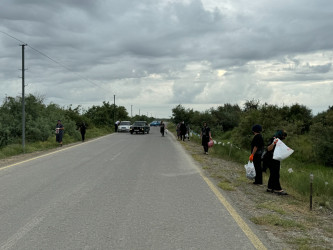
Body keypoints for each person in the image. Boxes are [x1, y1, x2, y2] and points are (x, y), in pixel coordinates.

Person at [266, 130, 288, 195]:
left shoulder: (279, 140)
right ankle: (278, 189)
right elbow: (268, 148)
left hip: (275, 158)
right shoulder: (274, 139)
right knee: (276, 174)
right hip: (272, 158)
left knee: (273, 173)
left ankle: (270, 187)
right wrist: (273, 143)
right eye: (284, 136)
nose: (284, 138)